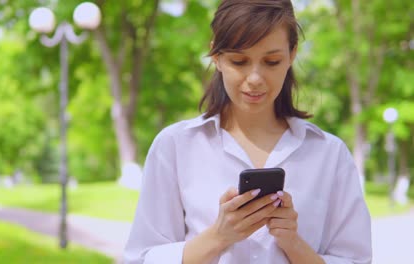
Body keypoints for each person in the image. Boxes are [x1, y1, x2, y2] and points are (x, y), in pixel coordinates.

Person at [123, 0, 372, 263]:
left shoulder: (329, 154)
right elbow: (141, 258)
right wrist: (219, 236)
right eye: (239, 61)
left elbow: (355, 259)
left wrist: (293, 244)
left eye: (272, 61)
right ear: (216, 57)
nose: (254, 78)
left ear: (292, 55)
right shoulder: (175, 146)